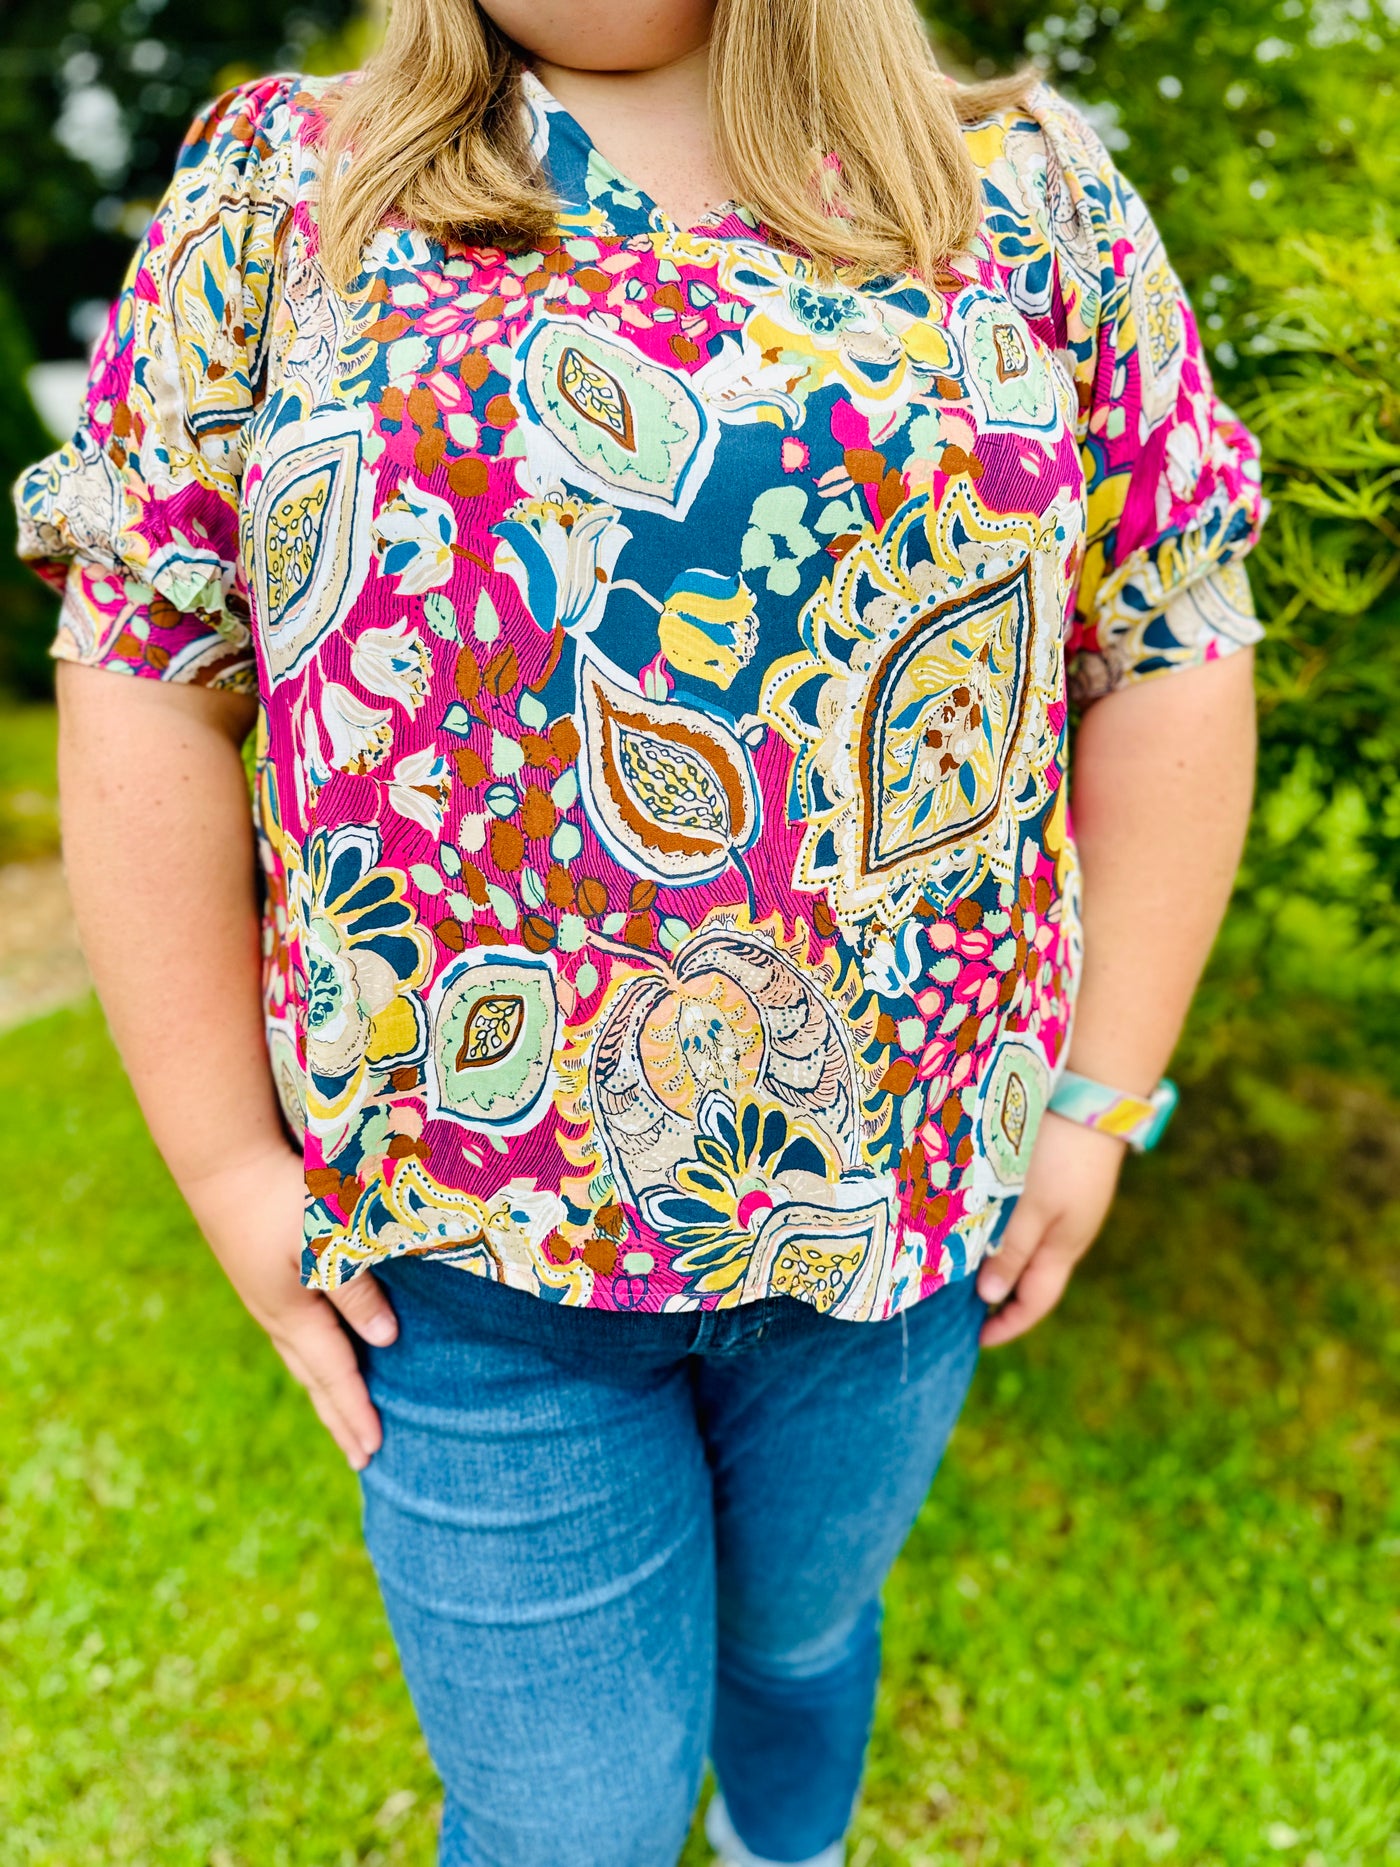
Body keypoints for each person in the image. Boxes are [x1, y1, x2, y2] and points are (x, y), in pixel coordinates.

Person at [15, 1, 1265, 1861]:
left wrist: (1102, 1098)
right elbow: (143, 657)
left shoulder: (1028, 195)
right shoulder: (292, 185)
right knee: (567, 1824)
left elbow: (1166, 641)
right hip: (462, 1256)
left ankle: (791, 1838)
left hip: (902, 1216)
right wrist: (218, 1158)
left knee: (798, 1637)